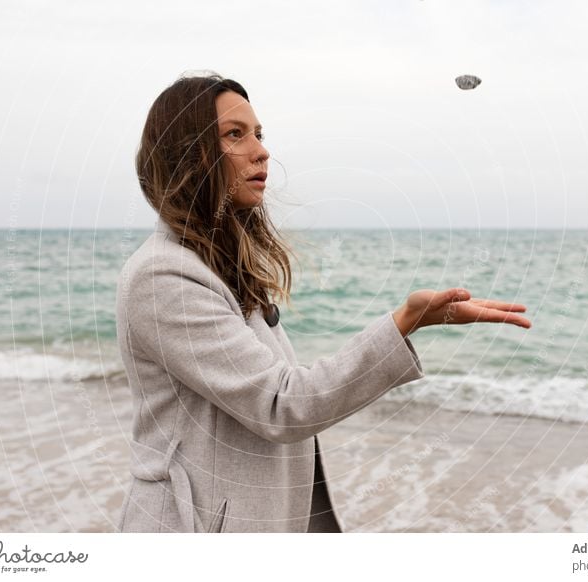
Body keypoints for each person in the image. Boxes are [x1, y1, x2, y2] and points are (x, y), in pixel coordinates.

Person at [115, 73, 531, 534]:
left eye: (259, 134)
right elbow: (281, 404)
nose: (261, 151)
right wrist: (403, 322)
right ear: (187, 155)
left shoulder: (219, 265)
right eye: (235, 135)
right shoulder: (163, 277)